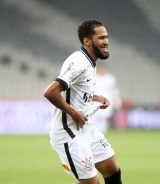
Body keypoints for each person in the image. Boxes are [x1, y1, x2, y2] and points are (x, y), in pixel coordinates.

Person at [44, 20, 122, 184]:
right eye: (101, 38)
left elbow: (74, 90)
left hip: (85, 127)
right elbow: (51, 92)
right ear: (87, 41)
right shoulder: (79, 62)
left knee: (112, 169)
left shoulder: (89, 62)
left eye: (107, 37)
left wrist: (96, 97)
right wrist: (74, 113)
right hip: (68, 134)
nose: (106, 41)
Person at [93, 63, 122, 134]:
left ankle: (102, 133)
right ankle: (94, 133)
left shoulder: (110, 78)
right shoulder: (94, 78)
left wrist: (117, 100)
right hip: (95, 101)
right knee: (94, 118)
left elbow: (115, 91)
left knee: (105, 118)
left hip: (107, 101)